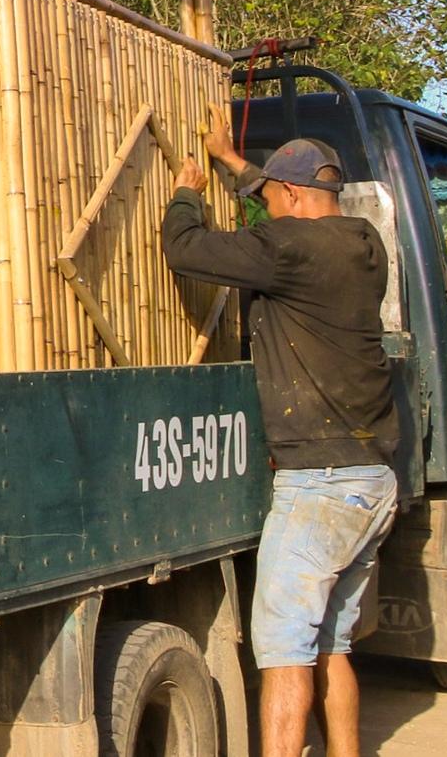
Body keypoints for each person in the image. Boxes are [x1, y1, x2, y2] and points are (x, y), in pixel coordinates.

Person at [162, 128, 398, 757]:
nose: (265, 207)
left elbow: (188, 252)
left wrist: (185, 194)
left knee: (284, 652)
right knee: (333, 645)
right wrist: (237, 164)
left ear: (292, 197)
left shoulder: (288, 248)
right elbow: (283, 209)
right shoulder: (364, 243)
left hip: (319, 485)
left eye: (272, 199)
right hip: (373, 480)